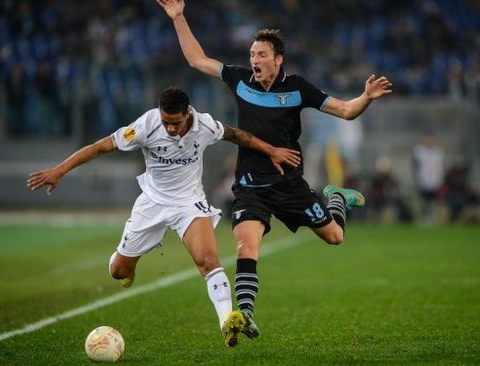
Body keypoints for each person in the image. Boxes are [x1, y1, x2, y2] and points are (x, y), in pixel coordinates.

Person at [158, 0, 393, 340]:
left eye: (262, 55)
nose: (254, 60)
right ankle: (245, 314)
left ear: (278, 59)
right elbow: (197, 60)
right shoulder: (240, 80)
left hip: (289, 185)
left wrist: (366, 97)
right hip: (250, 186)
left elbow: (345, 111)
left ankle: (337, 197)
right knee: (245, 247)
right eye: (252, 54)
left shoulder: (298, 88)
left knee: (335, 237)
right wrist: (178, 17)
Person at [27, 86, 300, 347]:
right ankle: (129, 267)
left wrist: (272, 150)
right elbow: (101, 146)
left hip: (189, 204)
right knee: (118, 271)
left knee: (208, 261)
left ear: (187, 114)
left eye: (175, 123)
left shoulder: (203, 126)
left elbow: (238, 135)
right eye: (166, 121)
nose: (170, 128)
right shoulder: (146, 125)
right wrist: (60, 170)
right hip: (152, 204)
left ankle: (227, 322)